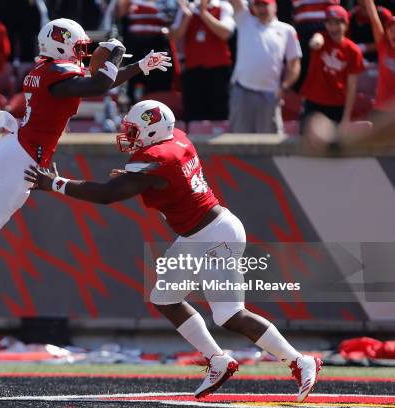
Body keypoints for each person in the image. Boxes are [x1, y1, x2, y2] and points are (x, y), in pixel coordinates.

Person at [24, 99, 322, 402]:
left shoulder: (156, 158)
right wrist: (133, 180)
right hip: (199, 234)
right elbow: (154, 178)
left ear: (153, 131)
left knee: (229, 314)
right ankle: (218, 360)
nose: (130, 136)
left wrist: (56, 184)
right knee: (164, 298)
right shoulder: (176, 139)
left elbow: (106, 196)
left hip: (215, 235)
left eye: (135, 130)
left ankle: (299, 361)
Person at [0, 18, 171, 330]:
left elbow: (96, 83)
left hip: (13, 149)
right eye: (77, 48)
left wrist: (139, 65)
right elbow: (99, 84)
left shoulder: (46, 71)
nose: (81, 54)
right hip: (23, 158)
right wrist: (113, 56)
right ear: (59, 45)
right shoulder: (58, 72)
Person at [229, 0, 302, 134]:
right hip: (242, 91)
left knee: (269, 144)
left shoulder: (287, 30)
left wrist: (284, 87)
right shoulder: (245, 19)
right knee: (239, 142)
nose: (262, 9)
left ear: (274, 6)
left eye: (265, 5)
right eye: (258, 5)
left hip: (270, 95)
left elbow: (295, 63)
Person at [169, 0, 235, 123]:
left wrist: (203, 13)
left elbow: (225, 33)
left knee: (220, 114)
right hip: (194, 72)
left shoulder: (223, 7)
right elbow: (173, 36)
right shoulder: (187, 9)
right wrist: (187, 17)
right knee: (194, 115)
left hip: (219, 72)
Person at [300, 5, 364, 126]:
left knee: (334, 143)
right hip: (313, 103)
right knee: (307, 141)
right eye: (329, 23)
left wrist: (346, 117)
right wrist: (315, 42)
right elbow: (316, 40)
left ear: (346, 25)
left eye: (338, 23)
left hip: (337, 106)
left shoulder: (353, 51)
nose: (333, 27)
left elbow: (352, 86)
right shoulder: (321, 37)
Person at [118, 0, 177, 103]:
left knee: (158, 83)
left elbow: (172, 22)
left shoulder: (167, 3)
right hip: (135, 46)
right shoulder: (131, 2)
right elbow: (120, 14)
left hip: (157, 45)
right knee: (133, 78)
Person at [362, 0, 395, 117]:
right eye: (391, 30)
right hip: (381, 109)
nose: (394, 33)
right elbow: (374, 17)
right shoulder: (383, 46)